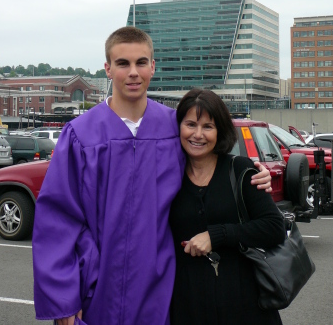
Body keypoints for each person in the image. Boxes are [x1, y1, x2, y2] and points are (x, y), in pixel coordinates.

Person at [32, 27, 272, 325]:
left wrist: (255, 172)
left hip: (161, 286)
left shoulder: (174, 129)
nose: (133, 73)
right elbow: (58, 220)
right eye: (123, 63)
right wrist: (63, 300)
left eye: (141, 62)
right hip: (95, 286)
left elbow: (212, 163)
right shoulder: (82, 135)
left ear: (153, 66)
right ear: (107, 68)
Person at [170, 88, 285, 325]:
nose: (198, 134)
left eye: (208, 127)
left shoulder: (240, 169)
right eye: (190, 124)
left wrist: (217, 235)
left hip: (247, 306)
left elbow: (274, 227)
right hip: (188, 306)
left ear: (220, 130)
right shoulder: (169, 178)